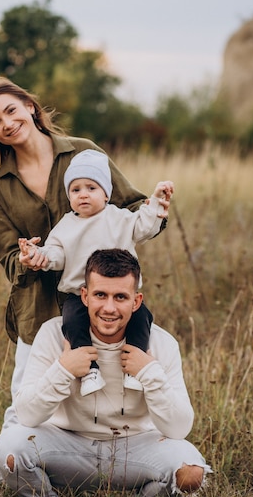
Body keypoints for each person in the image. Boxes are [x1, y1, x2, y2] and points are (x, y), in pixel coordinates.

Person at [0, 77, 171, 426]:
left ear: (30, 106)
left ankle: (100, 464)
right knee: (27, 399)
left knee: (107, 393)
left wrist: (153, 212)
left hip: (104, 300)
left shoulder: (84, 153)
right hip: (37, 307)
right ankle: (15, 466)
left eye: (11, 111)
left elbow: (132, 207)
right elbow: (8, 258)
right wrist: (28, 259)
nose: (7, 124)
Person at [0, 249, 212, 497]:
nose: (109, 308)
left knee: (191, 471)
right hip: (67, 446)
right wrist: (64, 369)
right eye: (100, 295)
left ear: (137, 301)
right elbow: (28, 415)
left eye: (120, 297)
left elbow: (179, 428)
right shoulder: (52, 335)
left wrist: (148, 372)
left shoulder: (161, 344)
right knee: (9, 449)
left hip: (131, 449)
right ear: (84, 296)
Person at [18, 149, 174, 396]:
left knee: (142, 318)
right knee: (72, 322)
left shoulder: (120, 218)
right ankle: (90, 371)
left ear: (106, 193)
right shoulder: (66, 226)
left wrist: (155, 202)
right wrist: (37, 255)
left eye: (91, 188)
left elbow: (144, 226)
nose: (83, 195)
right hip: (81, 296)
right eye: (76, 189)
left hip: (121, 294)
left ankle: (135, 368)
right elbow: (55, 254)